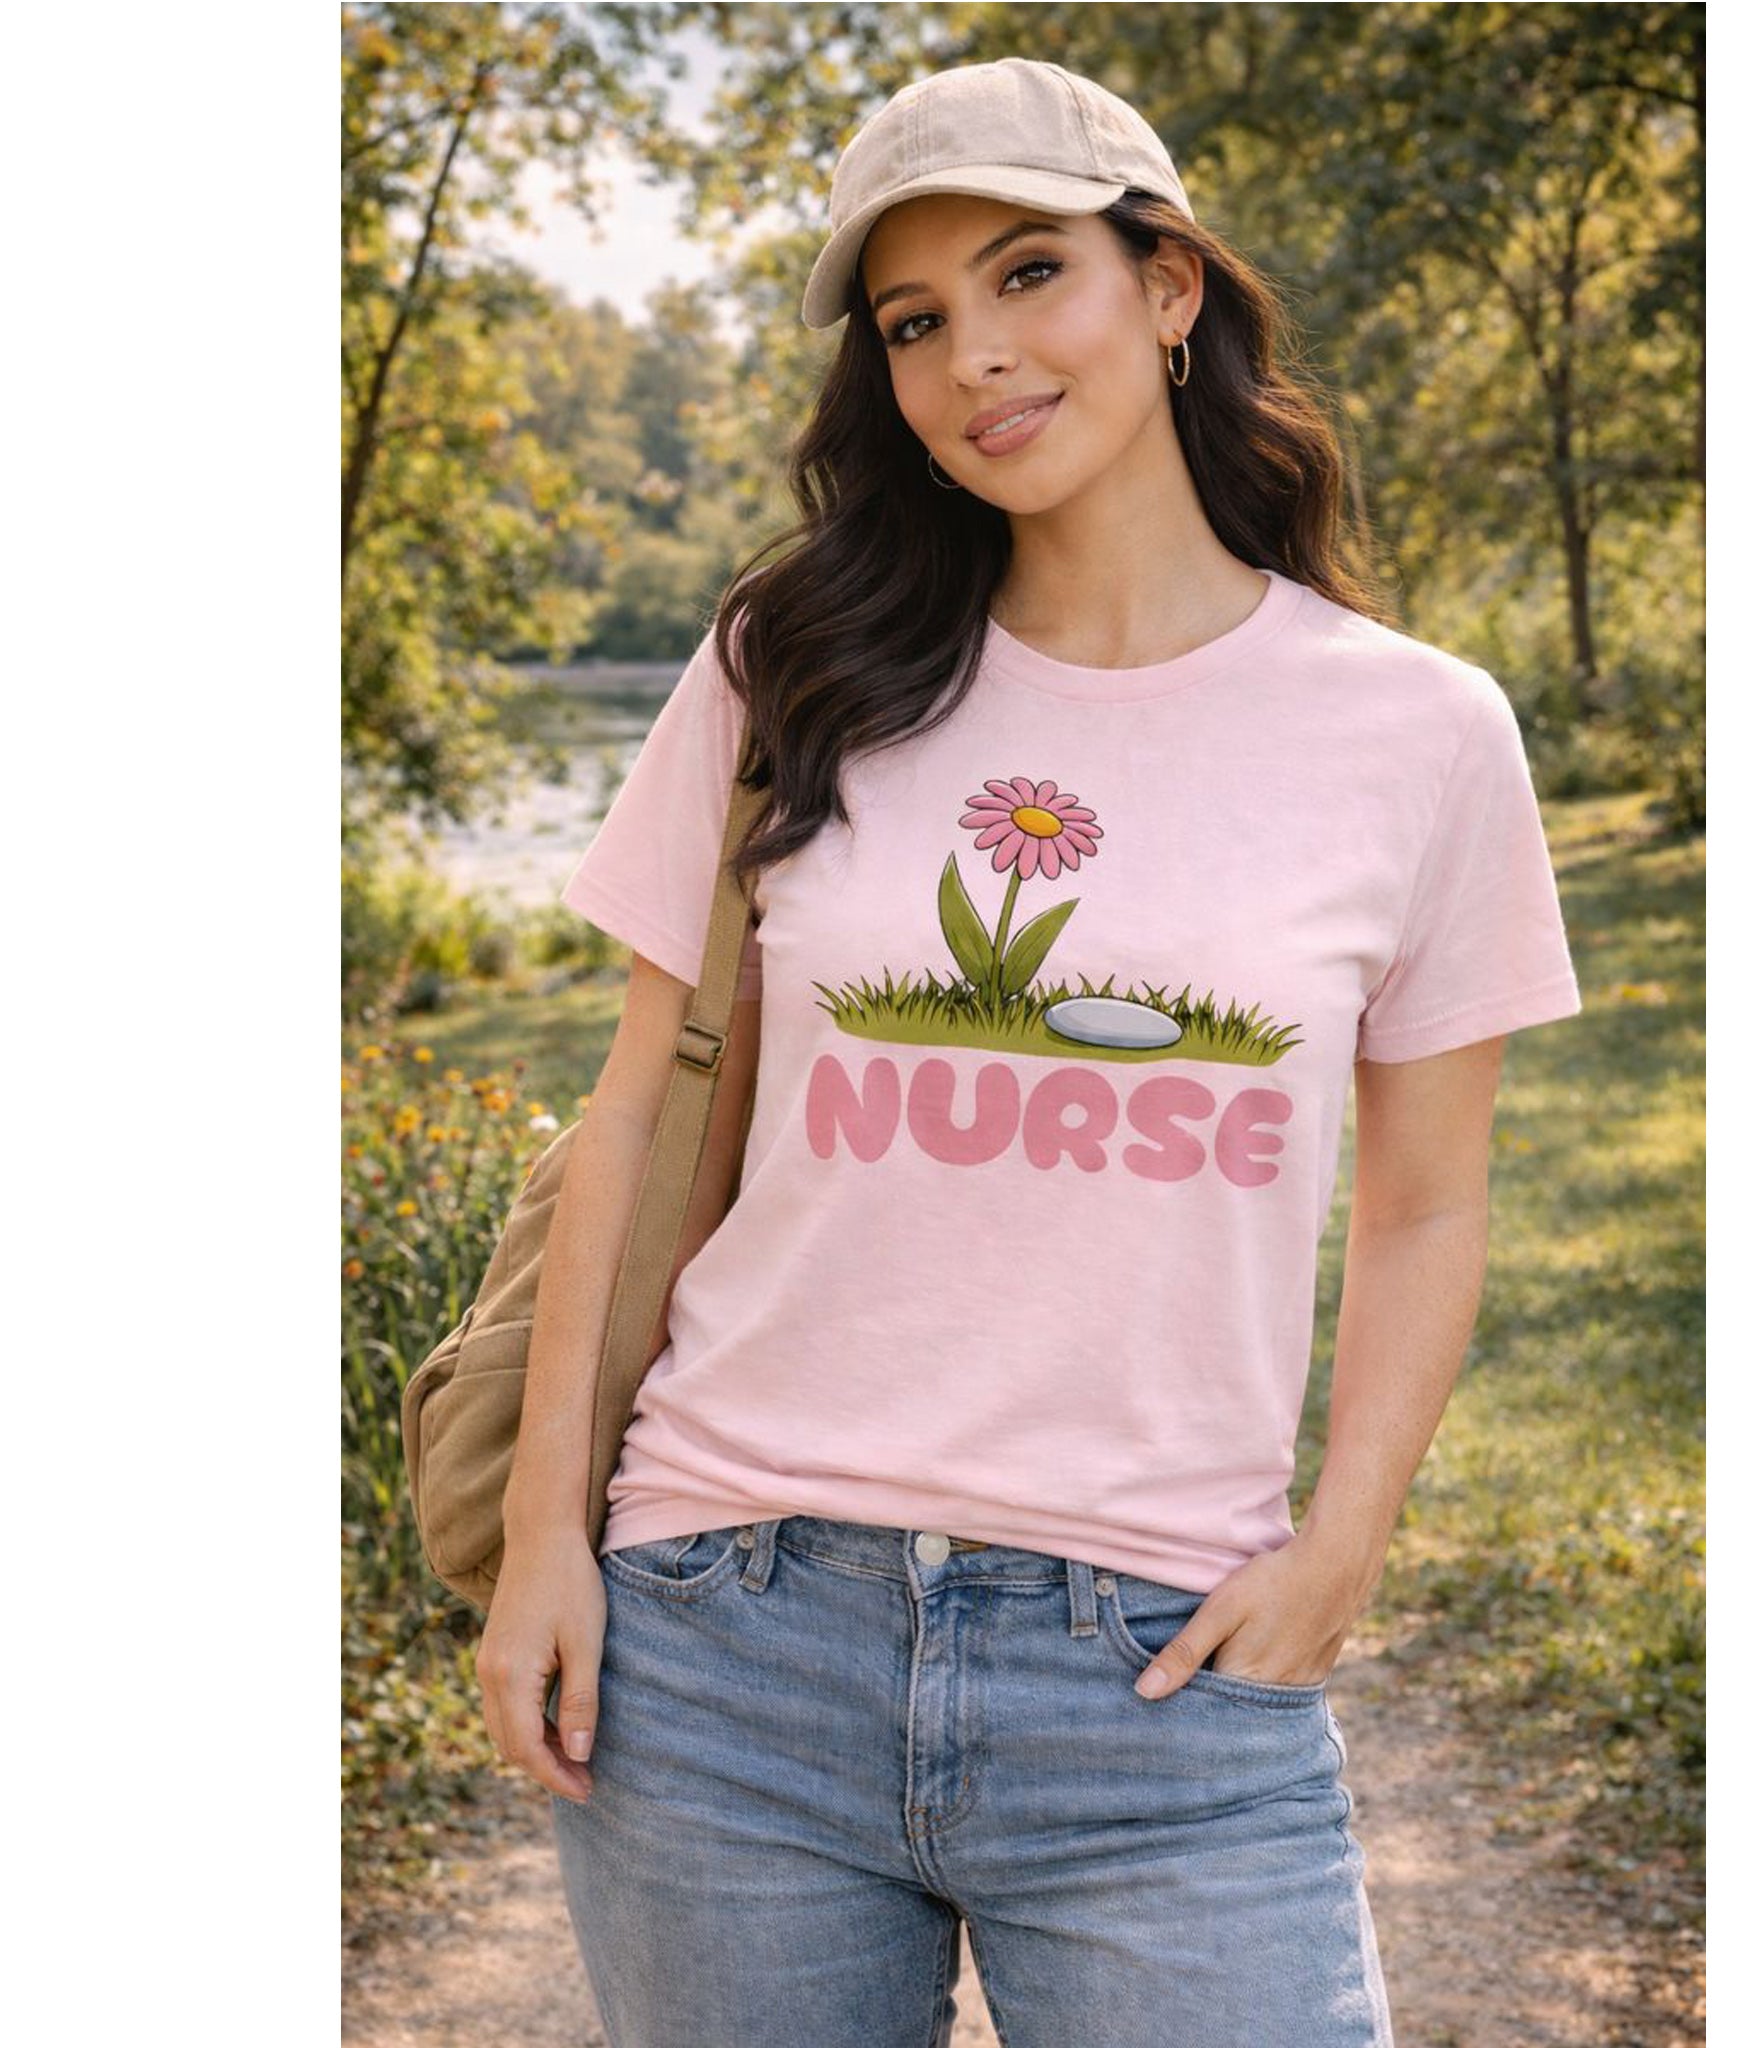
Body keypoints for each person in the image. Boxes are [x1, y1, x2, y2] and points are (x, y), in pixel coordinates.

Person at [476, 55, 1582, 2048]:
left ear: (1168, 292)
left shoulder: (1417, 733)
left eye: (1025, 275)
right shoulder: (793, 659)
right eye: (914, 323)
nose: (973, 354)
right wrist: (546, 1537)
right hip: (727, 1631)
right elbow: (637, 1116)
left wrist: (1344, 1539)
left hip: (1161, 1668)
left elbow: (1428, 1196)